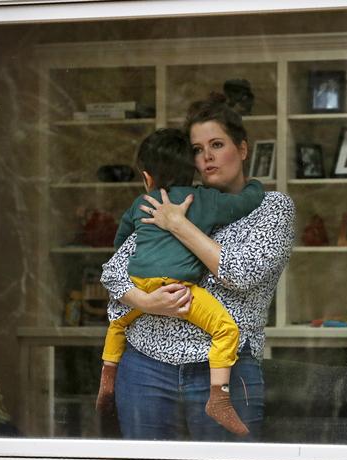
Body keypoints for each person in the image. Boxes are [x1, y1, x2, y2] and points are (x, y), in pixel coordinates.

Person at [100, 93, 295, 441]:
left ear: (243, 149)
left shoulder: (271, 207)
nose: (206, 157)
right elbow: (114, 271)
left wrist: (179, 225)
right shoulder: (171, 199)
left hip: (225, 372)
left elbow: (242, 274)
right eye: (196, 149)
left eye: (217, 144)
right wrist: (145, 302)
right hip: (145, 367)